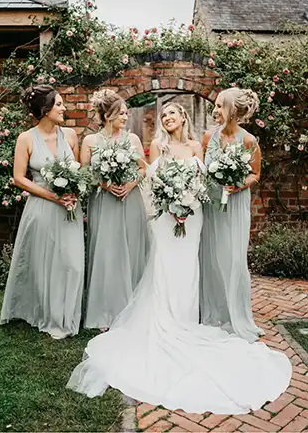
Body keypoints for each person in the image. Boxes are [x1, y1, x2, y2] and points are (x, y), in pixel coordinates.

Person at [67, 102, 291, 414]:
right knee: (165, 266)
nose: (167, 118)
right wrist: (172, 204)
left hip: (194, 216)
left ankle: (186, 320)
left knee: (188, 268)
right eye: (163, 115)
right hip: (165, 217)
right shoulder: (157, 146)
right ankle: (164, 320)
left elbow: (203, 181)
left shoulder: (197, 145)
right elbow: (153, 181)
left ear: (184, 116)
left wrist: (190, 202)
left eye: (173, 113)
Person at [0, 85, 84, 340]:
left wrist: (73, 193)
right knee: (44, 262)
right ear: (45, 110)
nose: (63, 108)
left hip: (69, 208)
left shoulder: (70, 135)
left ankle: (67, 315)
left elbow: (77, 170)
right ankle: (47, 313)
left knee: (72, 263)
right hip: (41, 207)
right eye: (58, 104)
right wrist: (52, 196)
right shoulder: (25, 139)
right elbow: (18, 178)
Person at [81, 89, 150, 331]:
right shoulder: (90, 141)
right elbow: (85, 172)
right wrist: (106, 184)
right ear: (108, 115)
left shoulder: (132, 140)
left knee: (131, 250)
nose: (126, 116)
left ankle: (134, 308)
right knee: (107, 252)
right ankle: (107, 310)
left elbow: (143, 169)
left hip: (130, 201)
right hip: (104, 203)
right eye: (121, 112)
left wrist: (129, 184)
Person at [200, 87, 264, 343]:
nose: (215, 111)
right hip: (212, 205)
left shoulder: (248, 141)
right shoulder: (207, 137)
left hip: (236, 205)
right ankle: (212, 313)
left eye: (219, 106)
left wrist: (237, 184)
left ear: (233, 111)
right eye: (215, 106)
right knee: (212, 256)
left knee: (234, 258)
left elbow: (255, 174)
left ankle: (236, 315)